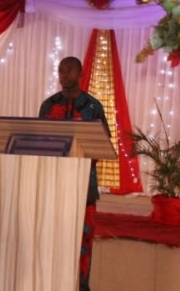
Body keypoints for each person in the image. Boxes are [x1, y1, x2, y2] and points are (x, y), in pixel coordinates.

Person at [38, 56, 109, 291]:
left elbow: (103, 145)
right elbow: (39, 141)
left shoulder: (93, 106)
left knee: (82, 242)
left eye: (69, 70)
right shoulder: (48, 105)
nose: (64, 74)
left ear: (80, 73)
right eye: (61, 70)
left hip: (83, 187)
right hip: (53, 185)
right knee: (52, 239)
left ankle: (80, 285)